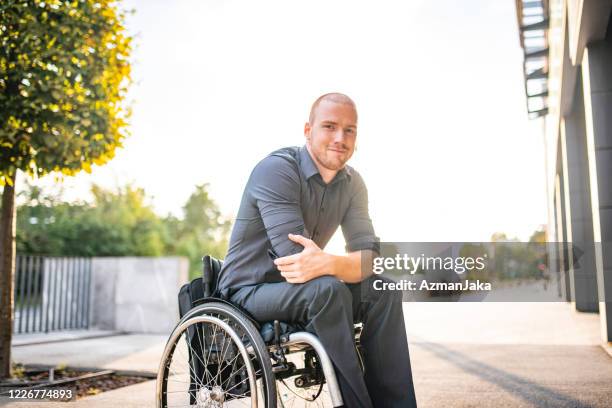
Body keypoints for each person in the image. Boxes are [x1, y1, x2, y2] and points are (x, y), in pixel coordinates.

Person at [217, 93, 417, 408]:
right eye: (330, 126)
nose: (340, 138)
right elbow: (295, 262)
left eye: (349, 130)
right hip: (249, 290)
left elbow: (369, 259)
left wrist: (329, 262)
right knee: (327, 291)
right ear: (308, 130)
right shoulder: (276, 170)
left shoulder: (353, 184)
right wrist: (338, 264)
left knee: (383, 289)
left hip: (304, 289)